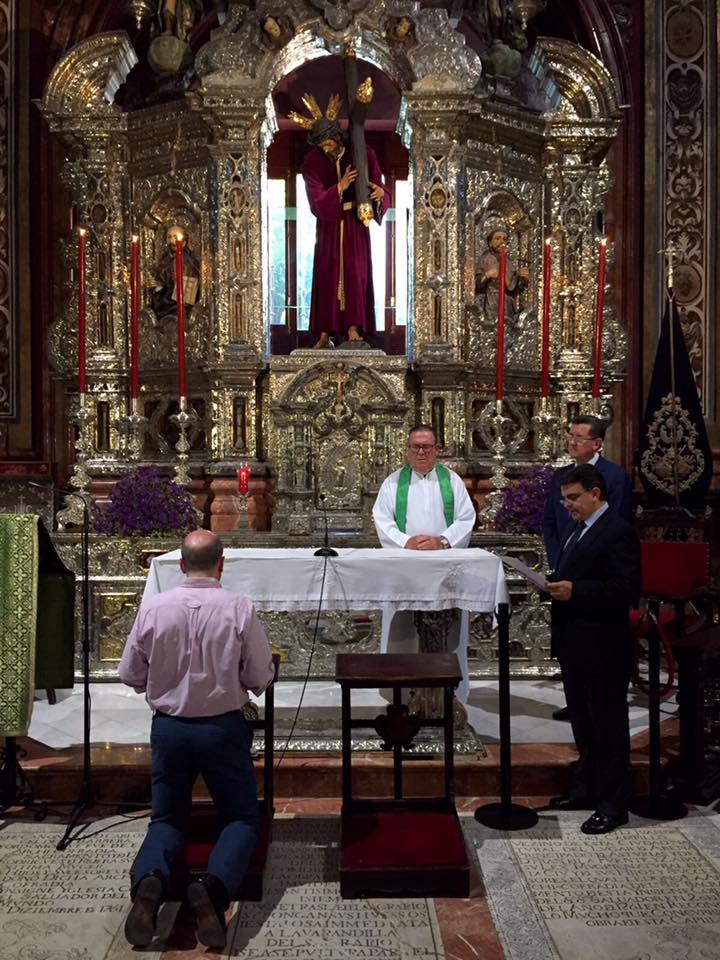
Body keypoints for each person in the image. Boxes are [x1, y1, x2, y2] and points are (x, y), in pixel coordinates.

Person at [119, 530, 274, 950]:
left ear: (181, 565)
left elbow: (130, 673)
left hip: (170, 727)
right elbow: (259, 675)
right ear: (221, 564)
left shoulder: (154, 607)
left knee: (167, 819)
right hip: (222, 727)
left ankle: (149, 884)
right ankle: (213, 889)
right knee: (241, 817)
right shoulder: (239, 608)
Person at [545, 464, 641, 834]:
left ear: (595, 494)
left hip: (603, 645)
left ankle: (613, 805)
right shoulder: (578, 528)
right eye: (564, 499)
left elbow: (626, 588)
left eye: (573, 498)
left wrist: (576, 591)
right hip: (574, 643)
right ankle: (586, 790)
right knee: (584, 726)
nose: (567, 505)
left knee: (607, 727)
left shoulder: (617, 531)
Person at [372, 424, 477, 700]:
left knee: (446, 633)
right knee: (403, 632)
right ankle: (402, 695)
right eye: (415, 447)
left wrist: (442, 541)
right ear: (407, 450)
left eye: (427, 447)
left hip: (444, 570)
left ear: (436, 450)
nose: (421, 452)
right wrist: (404, 541)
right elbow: (382, 519)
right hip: (405, 570)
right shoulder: (393, 483)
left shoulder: (452, 481)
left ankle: (446, 695)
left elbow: (466, 518)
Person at [543, 415, 633, 721]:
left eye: (579, 437)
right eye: (570, 436)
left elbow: (613, 525)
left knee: (603, 707)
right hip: (566, 571)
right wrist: (559, 561)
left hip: (598, 587)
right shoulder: (562, 477)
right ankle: (578, 706)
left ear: (597, 443)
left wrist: (579, 565)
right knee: (576, 669)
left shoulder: (615, 478)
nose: (572, 442)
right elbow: (550, 523)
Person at [293, 99, 391, 348]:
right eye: (321, 144)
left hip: (355, 226)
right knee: (327, 275)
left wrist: (381, 194)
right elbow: (316, 198)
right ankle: (324, 333)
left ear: (336, 136)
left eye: (328, 141)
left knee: (356, 274)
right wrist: (341, 186)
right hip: (328, 227)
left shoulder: (362, 153)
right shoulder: (312, 162)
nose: (325, 147)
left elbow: (380, 187)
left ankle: (353, 329)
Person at [475, 228, 529, 325]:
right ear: (490, 243)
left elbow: (512, 288)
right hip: (491, 301)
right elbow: (476, 284)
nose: (502, 242)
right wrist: (487, 275)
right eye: (497, 238)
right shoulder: (485, 259)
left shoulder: (509, 263)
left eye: (504, 239)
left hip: (507, 303)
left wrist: (520, 277)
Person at [150, 224, 200, 322]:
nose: (172, 240)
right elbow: (162, 281)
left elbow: (187, 296)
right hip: (163, 305)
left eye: (175, 237)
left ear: (184, 241)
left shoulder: (189, 261)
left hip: (179, 307)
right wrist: (157, 285)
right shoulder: (165, 260)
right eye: (169, 237)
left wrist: (164, 290)